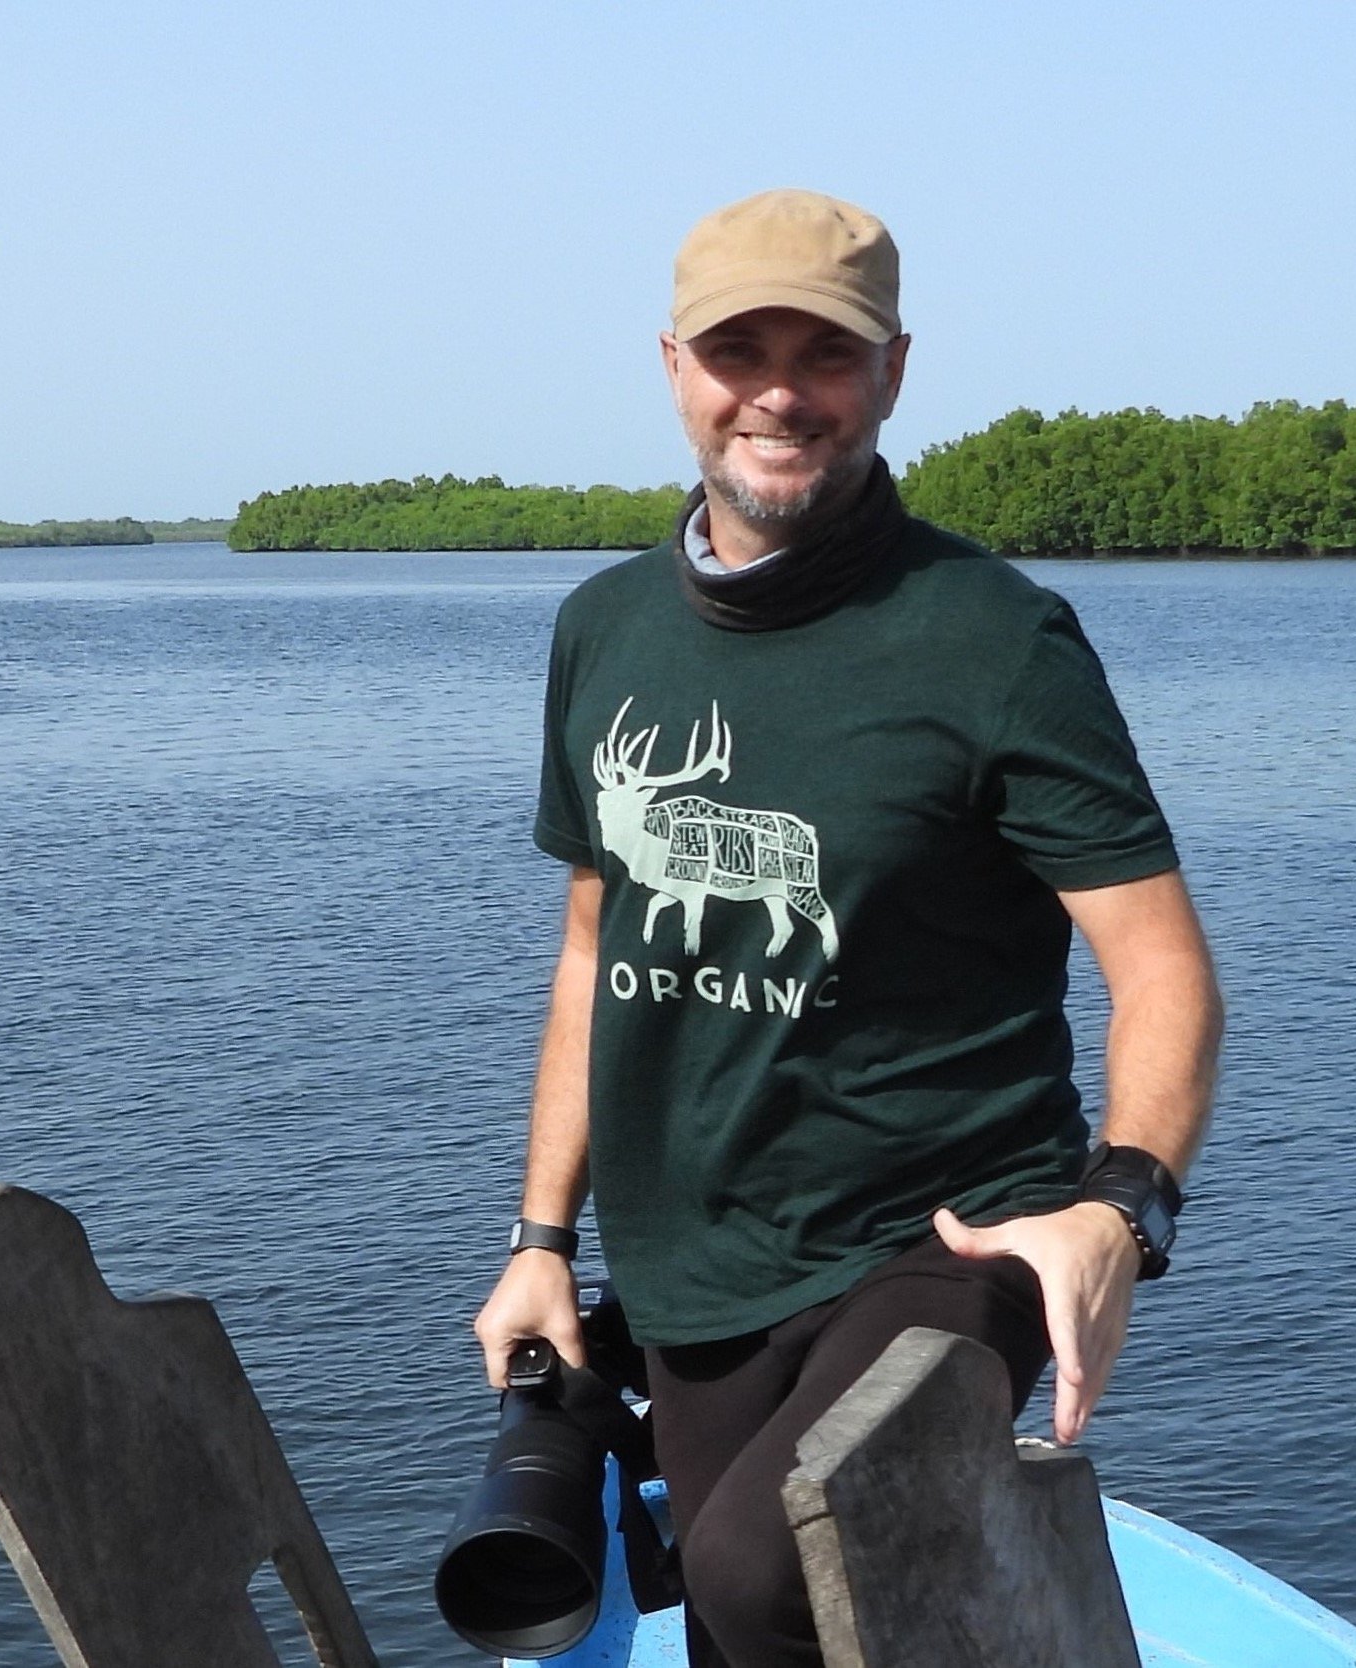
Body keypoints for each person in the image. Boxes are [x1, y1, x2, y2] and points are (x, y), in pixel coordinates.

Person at [471, 188, 1225, 1668]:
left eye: (821, 354)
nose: (775, 392)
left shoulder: (992, 636)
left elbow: (1162, 969)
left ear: (888, 372)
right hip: (692, 1260)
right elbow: (590, 952)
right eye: (734, 348)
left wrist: (1117, 1207)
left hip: (952, 1229)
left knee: (773, 1564)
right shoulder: (603, 629)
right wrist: (541, 1240)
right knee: (733, 1619)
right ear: (673, 365)